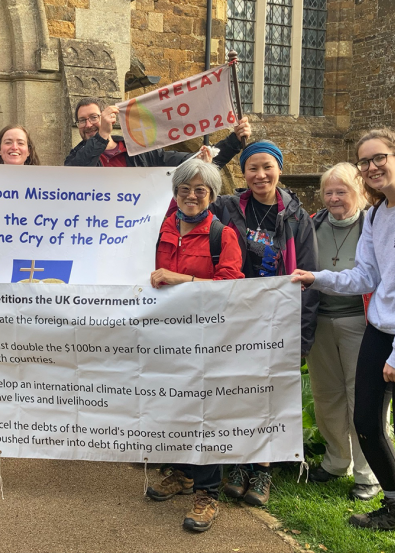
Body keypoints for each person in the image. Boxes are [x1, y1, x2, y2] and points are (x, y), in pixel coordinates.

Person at [291, 129, 395, 552]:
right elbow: (367, 277)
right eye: (365, 162)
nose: (372, 168)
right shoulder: (374, 216)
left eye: (379, 158)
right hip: (378, 329)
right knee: (367, 422)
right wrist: (317, 278)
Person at [212, 141, 319, 507]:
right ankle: (240, 463)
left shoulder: (296, 217)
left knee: (272, 394)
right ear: (243, 173)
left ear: (279, 169)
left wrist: (303, 337)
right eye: (253, 168)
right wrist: (213, 155)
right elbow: (184, 199)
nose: (260, 175)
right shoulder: (226, 209)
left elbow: (309, 278)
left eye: (267, 167)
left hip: (279, 319)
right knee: (240, 390)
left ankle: (264, 468)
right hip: (236, 317)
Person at [144, 158, 244, 532]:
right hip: (166, 336)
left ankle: (207, 493)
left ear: (212, 196)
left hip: (206, 338)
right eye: (184, 189)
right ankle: (184, 474)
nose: (191, 196)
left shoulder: (223, 236)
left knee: (205, 413)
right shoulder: (159, 229)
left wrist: (180, 278)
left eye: (200, 190)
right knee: (175, 405)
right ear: (175, 193)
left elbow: (229, 288)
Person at [305, 163, 381, 501]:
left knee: (363, 400)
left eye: (342, 191)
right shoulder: (312, 225)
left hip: (362, 323)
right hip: (320, 321)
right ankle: (337, 460)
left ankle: (370, 474)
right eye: (329, 192)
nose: (334, 198)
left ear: (360, 192)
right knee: (327, 396)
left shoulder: (373, 224)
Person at [63, 97, 248, 168]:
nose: (88, 124)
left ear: (106, 117)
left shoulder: (139, 151)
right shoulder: (74, 158)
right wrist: (102, 135)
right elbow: (77, 174)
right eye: (82, 120)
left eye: (94, 117)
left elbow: (195, 162)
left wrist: (234, 141)